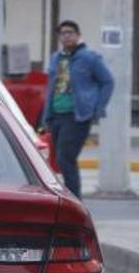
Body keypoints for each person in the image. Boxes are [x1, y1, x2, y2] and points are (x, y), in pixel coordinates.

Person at [41, 20, 115, 198]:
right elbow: (51, 87)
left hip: (77, 116)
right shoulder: (56, 58)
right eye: (63, 33)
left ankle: (75, 200)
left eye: (70, 32)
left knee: (65, 158)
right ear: (60, 37)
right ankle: (68, 197)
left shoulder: (89, 58)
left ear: (78, 35)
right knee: (59, 160)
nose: (67, 36)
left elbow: (108, 81)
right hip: (56, 115)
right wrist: (46, 116)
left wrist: (98, 108)